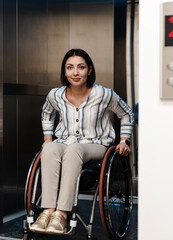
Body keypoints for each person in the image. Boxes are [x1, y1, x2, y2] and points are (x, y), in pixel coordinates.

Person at [30, 48, 134, 234]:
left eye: (81, 67)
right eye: (70, 68)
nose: (75, 73)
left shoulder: (104, 94)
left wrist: (124, 140)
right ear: (64, 71)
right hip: (64, 142)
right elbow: (47, 113)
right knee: (51, 148)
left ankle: (62, 214)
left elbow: (126, 114)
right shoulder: (55, 95)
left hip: (95, 145)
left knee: (74, 149)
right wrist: (47, 138)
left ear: (90, 70)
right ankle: (47, 211)